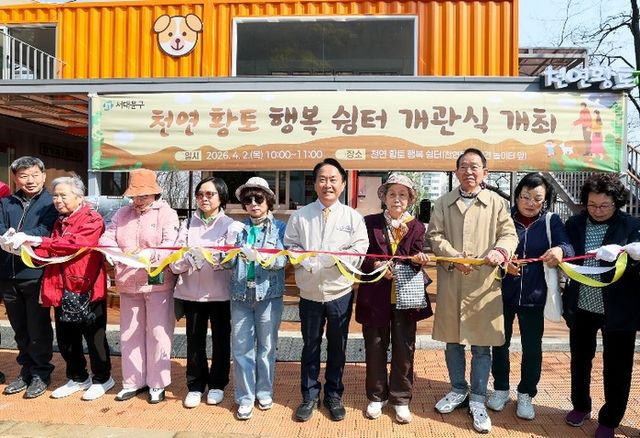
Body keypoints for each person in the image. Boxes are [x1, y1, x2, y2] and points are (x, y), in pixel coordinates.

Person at [427, 148, 518, 433]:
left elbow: (509, 234)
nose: (469, 171)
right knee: (453, 342)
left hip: (484, 284)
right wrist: (454, 256)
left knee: (481, 345)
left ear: (485, 173)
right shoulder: (443, 203)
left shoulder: (497, 203)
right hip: (453, 280)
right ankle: (458, 389)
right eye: (464, 166)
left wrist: (501, 251)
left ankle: (478, 397)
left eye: (475, 166)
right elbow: (434, 235)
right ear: (456, 172)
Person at [284, 158, 369, 422]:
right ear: (315, 184)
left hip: (339, 291)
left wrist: (336, 259)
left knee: (337, 346)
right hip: (309, 292)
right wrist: (302, 259)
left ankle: (334, 394)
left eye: (333, 179)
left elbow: (360, 248)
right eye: (322, 179)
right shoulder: (301, 215)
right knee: (310, 345)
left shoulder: (352, 217)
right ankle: (309, 395)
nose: (327, 184)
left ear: (342, 184)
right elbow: (290, 244)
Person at [486, 173, 573, 420]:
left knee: (532, 348)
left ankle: (526, 394)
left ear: (545, 200)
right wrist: (504, 263)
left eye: (537, 198)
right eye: (525, 196)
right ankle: (501, 389)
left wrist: (559, 250)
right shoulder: (504, 218)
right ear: (516, 197)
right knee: (499, 344)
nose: (530, 203)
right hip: (502, 294)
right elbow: (490, 248)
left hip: (535, 296)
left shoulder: (551, 221)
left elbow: (568, 247)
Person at [20, 176, 114, 400]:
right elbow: (52, 250)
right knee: (66, 337)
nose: (57, 200)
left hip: (86, 286)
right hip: (60, 285)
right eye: (55, 196)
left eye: (63, 195)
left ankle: (102, 378)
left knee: (94, 336)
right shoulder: (59, 221)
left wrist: (39, 241)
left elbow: (73, 245)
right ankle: (78, 377)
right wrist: (24, 247)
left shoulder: (92, 219)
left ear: (79, 197)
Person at [562, 173, 640, 438]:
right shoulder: (575, 223)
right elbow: (567, 250)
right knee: (580, 360)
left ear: (616, 202)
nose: (597, 210)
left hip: (619, 309)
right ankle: (580, 405)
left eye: (604, 205)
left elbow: (636, 262)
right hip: (582, 304)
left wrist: (628, 254)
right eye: (592, 205)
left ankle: (610, 419)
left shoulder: (632, 225)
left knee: (618, 367)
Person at [355, 173, 431, 424]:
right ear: (384, 197)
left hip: (406, 296)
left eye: (402, 195)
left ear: (410, 199)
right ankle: (376, 396)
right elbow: (361, 255)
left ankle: (401, 398)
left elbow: (416, 256)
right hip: (375, 296)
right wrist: (375, 265)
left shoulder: (417, 227)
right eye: (392, 194)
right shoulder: (370, 223)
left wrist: (419, 260)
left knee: (404, 347)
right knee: (375, 346)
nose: (397, 199)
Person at [99, 168, 179, 404]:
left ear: (154, 193)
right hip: (127, 281)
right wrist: (114, 253)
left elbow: (171, 244)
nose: (138, 200)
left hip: (157, 281)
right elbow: (107, 237)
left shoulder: (167, 214)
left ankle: (157, 383)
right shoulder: (122, 213)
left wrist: (149, 254)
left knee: (158, 333)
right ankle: (133, 381)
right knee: (129, 333)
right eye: (135, 196)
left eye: (143, 195)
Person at [170, 176, 233, 409]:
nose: (204, 199)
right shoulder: (187, 224)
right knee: (194, 341)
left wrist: (217, 259)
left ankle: (217, 384)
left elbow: (232, 261)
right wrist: (188, 259)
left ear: (221, 197)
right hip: (191, 294)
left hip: (220, 294)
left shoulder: (231, 225)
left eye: (210, 194)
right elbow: (173, 262)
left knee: (221, 341)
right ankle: (195, 385)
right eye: (200, 194)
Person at [228, 177, 288, 420]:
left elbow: (284, 259)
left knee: (266, 347)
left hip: (269, 295)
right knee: (241, 348)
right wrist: (227, 249)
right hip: (240, 294)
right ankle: (244, 397)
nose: (253, 203)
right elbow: (226, 262)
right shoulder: (237, 228)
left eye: (259, 198)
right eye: (248, 199)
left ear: (268, 201)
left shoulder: (280, 228)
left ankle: (264, 392)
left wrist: (262, 258)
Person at [0, 156, 57, 398]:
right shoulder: (6, 203)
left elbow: (46, 229)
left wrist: (23, 237)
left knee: (38, 326)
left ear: (43, 176)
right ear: (15, 178)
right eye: (24, 176)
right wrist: (5, 237)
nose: (30, 180)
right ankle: (25, 370)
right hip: (7, 274)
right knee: (19, 327)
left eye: (35, 175)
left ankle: (41, 372)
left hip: (35, 273)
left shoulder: (51, 202)